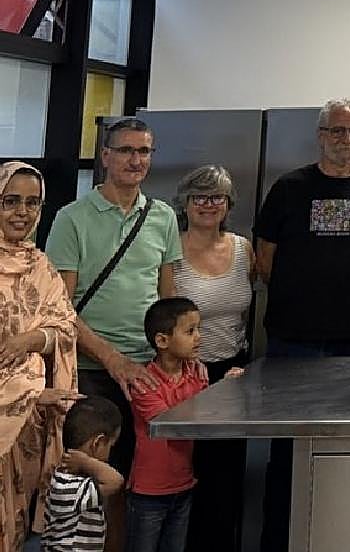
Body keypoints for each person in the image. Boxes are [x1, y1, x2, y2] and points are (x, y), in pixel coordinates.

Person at [253, 99, 350, 552]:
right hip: (292, 343)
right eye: (337, 130)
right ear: (320, 135)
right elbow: (264, 259)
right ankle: (279, 542)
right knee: (286, 453)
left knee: (343, 449)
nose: (345, 139)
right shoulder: (289, 188)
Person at [45, 117, 182, 551]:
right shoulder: (72, 219)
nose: (135, 160)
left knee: (134, 484)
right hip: (90, 371)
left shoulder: (161, 216)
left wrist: (174, 360)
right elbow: (59, 308)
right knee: (87, 481)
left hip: (146, 372)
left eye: (144, 151)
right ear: (105, 156)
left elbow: (167, 300)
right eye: (125, 150)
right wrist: (111, 358)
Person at [171, 165, 254, 552]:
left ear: (228, 203)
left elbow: (245, 311)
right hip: (183, 377)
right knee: (184, 475)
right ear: (185, 204)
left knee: (227, 478)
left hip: (233, 375)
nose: (208, 204)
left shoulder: (243, 249)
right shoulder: (171, 249)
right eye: (199, 197)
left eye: (217, 196)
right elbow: (163, 314)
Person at [0, 162, 78, 551]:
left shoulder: (41, 266)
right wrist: (28, 392)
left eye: (32, 203)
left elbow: (65, 327)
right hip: (17, 402)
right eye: (10, 201)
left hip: (28, 422)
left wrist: (30, 339)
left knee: (13, 523)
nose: (22, 212)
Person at [127, 298, 243, 552]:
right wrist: (216, 392)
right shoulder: (144, 382)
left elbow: (206, 414)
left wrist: (225, 387)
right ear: (162, 341)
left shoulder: (196, 372)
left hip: (184, 485)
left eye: (198, 329)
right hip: (149, 492)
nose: (198, 337)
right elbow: (173, 423)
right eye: (190, 331)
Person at [41, 396, 124, 552]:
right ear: (97, 443)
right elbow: (116, 481)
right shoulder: (70, 486)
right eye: (110, 446)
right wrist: (86, 462)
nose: (110, 453)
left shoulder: (72, 478)